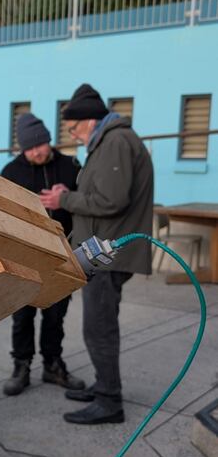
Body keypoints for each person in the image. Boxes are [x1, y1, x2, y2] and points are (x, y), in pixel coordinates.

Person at [40, 83, 154, 425]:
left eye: (74, 128)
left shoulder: (116, 142)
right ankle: (104, 385)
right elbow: (102, 191)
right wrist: (72, 192)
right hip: (103, 250)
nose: (73, 135)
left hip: (109, 253)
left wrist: (65, 200)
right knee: (98, 326)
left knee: (99, 328)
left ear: (89, 120)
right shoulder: (109, 141)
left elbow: (111, 201)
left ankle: (109, 401)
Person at [0, 112, 85, 396]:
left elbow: (87, 203)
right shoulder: (11, 172)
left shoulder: (70, 165)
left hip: (63, 254)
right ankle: (21, 366)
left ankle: (52, 364)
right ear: (22, 148)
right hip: (24, 255)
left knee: (55, 315)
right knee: (22, 315)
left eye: (41, 145)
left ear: (49, 141)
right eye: (30, 148)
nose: (37, 151)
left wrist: (68, 199)